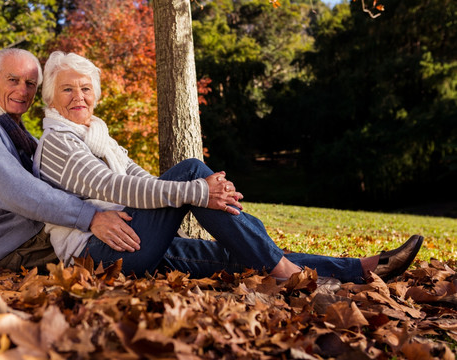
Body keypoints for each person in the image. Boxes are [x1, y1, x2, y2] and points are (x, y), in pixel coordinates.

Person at [32, 50, 424, 283]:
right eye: (67, 89)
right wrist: (197, 191)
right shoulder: (58, 142)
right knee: (189, 170)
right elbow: (117, 189)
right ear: (51, 99)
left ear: (95, 96)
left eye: (85, 89)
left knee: (239, 253)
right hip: (97, 258)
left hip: (128, 243)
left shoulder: (97, 135)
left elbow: (137, 176)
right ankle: (285, 271)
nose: (79, 97)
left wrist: (202, 193)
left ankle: (364, 270)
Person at [0, 48, 141, 272]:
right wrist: (92, 217)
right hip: (13, 249)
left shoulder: (18, 133)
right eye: (13, 80)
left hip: (33, 236)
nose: (23, 90)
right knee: (131, 236)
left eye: (30, 84)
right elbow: (18, 191)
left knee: (134, 227)